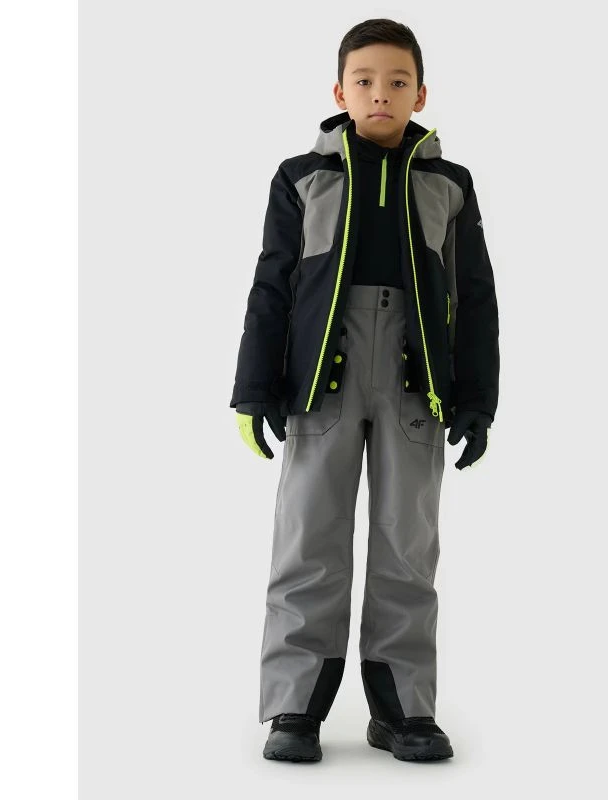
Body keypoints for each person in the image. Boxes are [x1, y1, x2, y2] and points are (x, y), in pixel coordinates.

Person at [230, 18, 499, 763]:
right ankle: (294, 708)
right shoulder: (302, 177)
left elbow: (475, 296)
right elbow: (272, 284)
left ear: (421, 95)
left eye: (398, 81)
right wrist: (255, 387)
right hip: (323, 380)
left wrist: (477, 399)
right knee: (308, 538)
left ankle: (404, 709)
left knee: (407, 546)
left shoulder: (449, 185)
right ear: (340, 91)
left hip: (418, 384)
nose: (381, 93)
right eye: (365, 80)